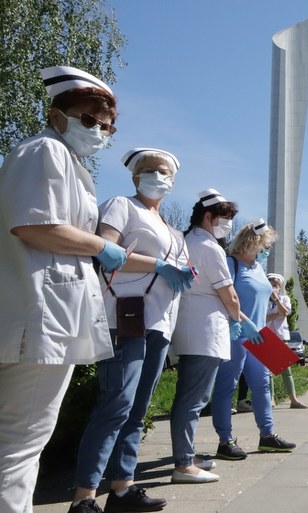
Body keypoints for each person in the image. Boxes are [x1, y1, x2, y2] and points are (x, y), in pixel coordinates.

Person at [0, 66, 127, 513]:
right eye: (88, 119)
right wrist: (101, 247)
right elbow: (33, 224)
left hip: (43, 318)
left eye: (106, 126)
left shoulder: (59, 158)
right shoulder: (44, 151)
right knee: (20, 444)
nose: (98, 130)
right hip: (41, 322)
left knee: (16, 440)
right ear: (57, 114)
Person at [71, 148, 195, 513]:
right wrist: (159, 264)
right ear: (134, 176)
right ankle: (84, 498)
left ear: (172, 182)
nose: (158, 177)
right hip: (126, 317)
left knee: (137, 409)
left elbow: (179, 268)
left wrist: (183, 272)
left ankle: (122, 489)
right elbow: (105, 249)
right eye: (150, 170)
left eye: (164, 172)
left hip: (159, 323)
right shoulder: (122, 206)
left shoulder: (172, 229)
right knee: (116, 405)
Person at [168, 189, 246, 484]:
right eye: (224, 219)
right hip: (206, 330)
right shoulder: (210, 247)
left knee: (190, 398)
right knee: (193, 400)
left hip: (191, 326)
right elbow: (229, 294)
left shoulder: (188, 240)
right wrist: (237, 319)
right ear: (209, 217)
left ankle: (185, 454)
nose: (227, 225)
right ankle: (183, 464)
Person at [211, 219, 296, 460]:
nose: (266, 249)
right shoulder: (230, 264)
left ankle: (267, 435)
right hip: (236, 334)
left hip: (261, 336)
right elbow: (223, 298)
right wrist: (242, 323)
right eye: (264, 244)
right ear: (253, 242)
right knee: (227, 386)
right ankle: (225, 440)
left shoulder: (258, 268)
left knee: (262, 387)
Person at [266, 273, 308, 409]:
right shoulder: (262, 299)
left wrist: (276, 300)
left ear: (280, 286)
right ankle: (271, 399)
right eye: (271, 284)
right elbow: (262, 318)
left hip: (280, 337)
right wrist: (276, 315)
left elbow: (285, 313)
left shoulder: (284, 298)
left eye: (276, 284)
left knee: (286, 370)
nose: (273, 286)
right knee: (268, 371)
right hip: (266, 336)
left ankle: (293, 400)